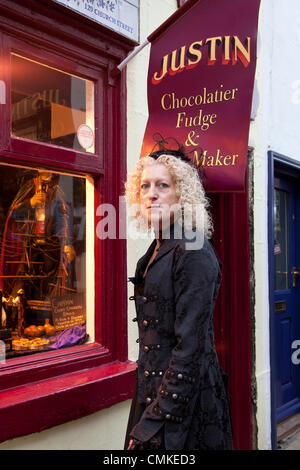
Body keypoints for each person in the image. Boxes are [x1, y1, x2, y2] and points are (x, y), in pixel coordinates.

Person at [124, 147, 233, 450]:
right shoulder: (157, 248)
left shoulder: (193, 250)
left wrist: (155, 422)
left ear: (181, 194)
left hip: (185, 405)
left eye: (163, 185)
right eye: (145, 185)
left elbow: (190, 349)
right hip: (154, 392)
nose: (151, 194)